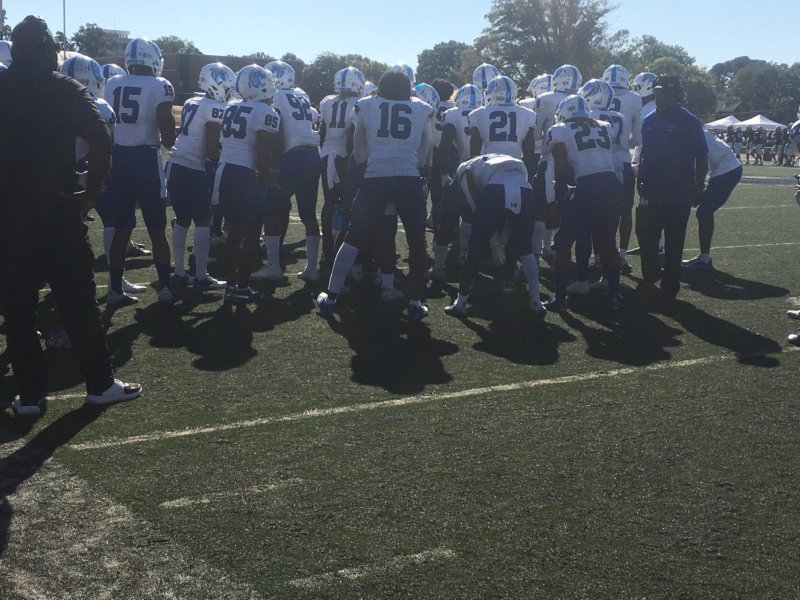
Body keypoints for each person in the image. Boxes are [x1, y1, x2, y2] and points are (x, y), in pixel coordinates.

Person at [0, 15, 141, 415]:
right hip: (56, 211)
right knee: (78, 301)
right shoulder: (63, 88)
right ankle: (100, 384)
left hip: (9, 214)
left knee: (18, 308)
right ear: (46, 49)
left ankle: (30, 396)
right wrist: (92, 190)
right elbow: (101, 137)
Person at [316, 69, 434, 320]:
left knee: (354, 236)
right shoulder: (422, 108)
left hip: (376, 176)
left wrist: (372, 162)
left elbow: (359, 151)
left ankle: (331, 296)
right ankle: (415, 302)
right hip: (408, 178)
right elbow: (424, 152)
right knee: (416, 241)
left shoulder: (366, 105)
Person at [103, 37, 177, 306]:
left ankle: (115, 289)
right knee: (157, 229)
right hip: (145, 160)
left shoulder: (112, 83)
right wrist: (170, 141)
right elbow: (166, 127)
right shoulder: (159, 85)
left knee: (122, 229)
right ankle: (165, 287)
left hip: (118, 159)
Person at [435, 154, 545, 317]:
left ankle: (461, 303)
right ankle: (536, 302)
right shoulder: (495, 163)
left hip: (496, 189)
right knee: (526, 249)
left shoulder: (463, 171)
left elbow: (478, 213)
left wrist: (496, 245)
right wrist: (499, 245)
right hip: (524, 188)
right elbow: (510, 215)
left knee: (474, 250)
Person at [544, 94, 623, 312]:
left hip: (589, 186)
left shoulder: (560, 129)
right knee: (607, 242)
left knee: (562, 242)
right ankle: (614, 294)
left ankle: (560, 299)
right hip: (612, 185)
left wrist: (561, 191)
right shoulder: (605, 125)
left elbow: (560, 163)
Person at [635, 75, 708, 300]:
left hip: (678, 191)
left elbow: (701, 156)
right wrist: (640, 178)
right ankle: (650, 275)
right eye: (658, 92)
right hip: (651, 189)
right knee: (645, 237)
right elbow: (645, 152)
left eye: (665, 93)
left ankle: (670, 286)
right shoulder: (648, 120)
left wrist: (699, 186)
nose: (660, 97)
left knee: (674, 242)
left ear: (676, 95)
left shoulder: (689, 121)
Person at [214, 65, 282, 303]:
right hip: (246, 175)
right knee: (252, 235)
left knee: (233, 234)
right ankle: (242, 286)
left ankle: (230, 286)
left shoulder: (231, 107)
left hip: (224, 170)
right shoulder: (267, 112)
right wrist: (269, 178)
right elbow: (262, 156)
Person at [167, 62, 234, 291]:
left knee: (182, 220)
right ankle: (201, 276)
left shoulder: (191, 102)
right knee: (204, 220)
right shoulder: (215, 108)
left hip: (175, 163)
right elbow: (211, 150)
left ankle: (179, 272)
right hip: (194, 167)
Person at [260, 60, 321, 282]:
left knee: (270, 210)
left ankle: (273, 266)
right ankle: (312, 268)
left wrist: (273, 166)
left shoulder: (277, 96)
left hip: (292, 157)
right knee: (308, 215)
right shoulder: (301, 95)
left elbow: (278, 130)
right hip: (312, 155)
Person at [318, 66, 364, 269]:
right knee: (347, 205)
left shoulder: (327, 102)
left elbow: (323, 131)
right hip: (344, 158)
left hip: (327, 155)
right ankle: (338, 250)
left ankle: (327, 250)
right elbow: (352, 136)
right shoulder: (358, 103)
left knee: (329, 203)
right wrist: (352, 162)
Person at [681, 129, 743, 270]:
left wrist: (697, 189)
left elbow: (702, 163)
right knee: (704, 212)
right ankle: (704, 258)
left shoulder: (691, 132)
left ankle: (704, 259)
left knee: (704, 212)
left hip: (726, 169)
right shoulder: (695, 129)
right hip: (726, 167)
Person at [603, 64, 642, 273]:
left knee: (599, 211)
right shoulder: (634, 98)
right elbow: (637, 138)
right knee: (625, 211)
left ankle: (601, 256)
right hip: (623, 159)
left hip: (600, 161)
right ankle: (622, 255)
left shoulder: (595, 93)